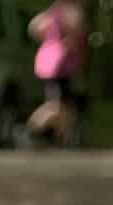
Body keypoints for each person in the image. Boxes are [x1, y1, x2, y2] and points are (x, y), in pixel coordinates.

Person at [28, 2, 88, 147]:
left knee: (64, 106)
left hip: (47, 63)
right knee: (59, 105)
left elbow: (34, 29)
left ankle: (58, 139)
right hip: (61, 65)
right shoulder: (72, 11)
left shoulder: (52, 12)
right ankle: (32, 129)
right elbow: (77, 31)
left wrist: (51, 40)